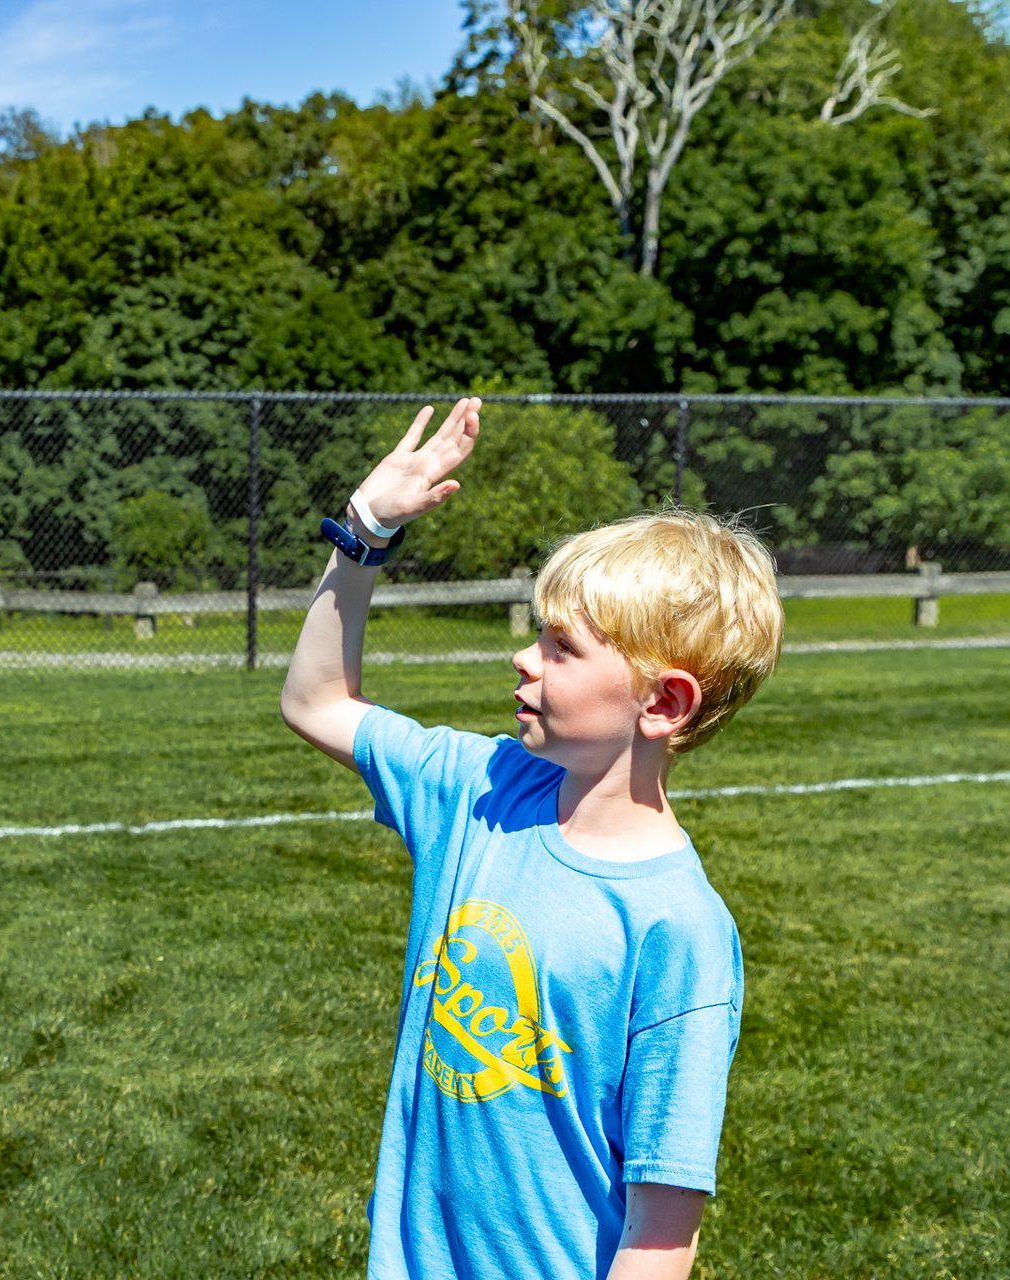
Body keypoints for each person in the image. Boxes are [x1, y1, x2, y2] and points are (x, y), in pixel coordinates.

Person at [279, 398, 784, 1280]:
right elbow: (316, 702)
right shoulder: (477, 790)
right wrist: (362, 534)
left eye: (560, 646)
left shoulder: (680, 932)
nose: (523, 657)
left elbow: (663, 1230)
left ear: (662, 704)